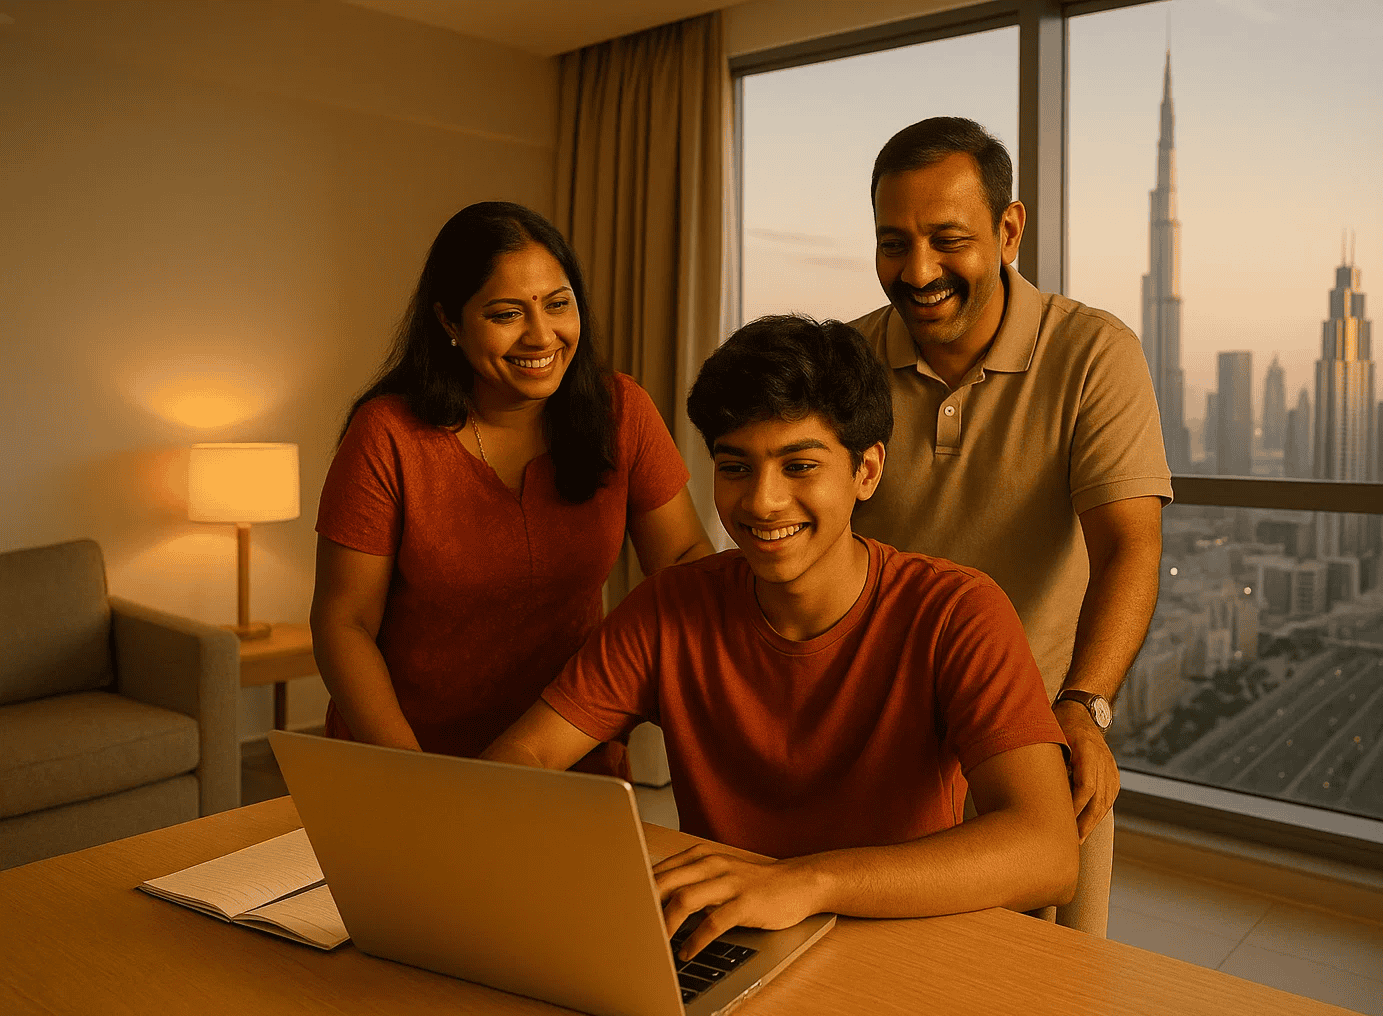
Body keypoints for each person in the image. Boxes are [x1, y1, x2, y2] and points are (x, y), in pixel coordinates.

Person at [482, 314, 1079, 960]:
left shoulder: (956, 613)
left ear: (867, 471)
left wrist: (805, 881)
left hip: (898, 948)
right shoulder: (669, 607)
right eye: (735, 468)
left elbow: (1047, 850)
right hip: (721, 946)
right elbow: (516, 765)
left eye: (799, 466)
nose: (762, 502)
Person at [849, 117, 1171, 936]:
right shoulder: (843, 362)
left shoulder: (1094, 353)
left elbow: (1129, 544)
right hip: (874, 743)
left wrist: (1085, 706)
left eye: (946, 239)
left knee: (1044, 991)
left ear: (1010, 230)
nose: (917, 271)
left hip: (1034, 747)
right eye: (894, 242)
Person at [311, 201, 712, 775]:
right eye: (506, 314)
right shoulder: (387, 433)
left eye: (558, 304)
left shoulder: (622, 409)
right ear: (449, 322)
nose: (542, 335)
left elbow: (683, 562)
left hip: (566, 754)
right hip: (405, 755)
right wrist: (410, 775)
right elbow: (343, 622)